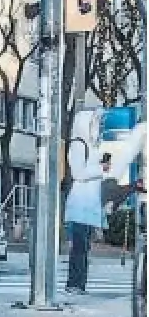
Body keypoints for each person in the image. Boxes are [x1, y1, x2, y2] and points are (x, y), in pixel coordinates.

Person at [64, 105, 105, 295]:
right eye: (95, 122)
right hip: (80, 203)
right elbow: (78, 173)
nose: (99, 125)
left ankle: (80, 284)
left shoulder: (92, 145)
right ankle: (74, 284)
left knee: (84, 247)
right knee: (79, 246)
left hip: (89, 202)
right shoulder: (78, 144)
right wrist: (101, 169)